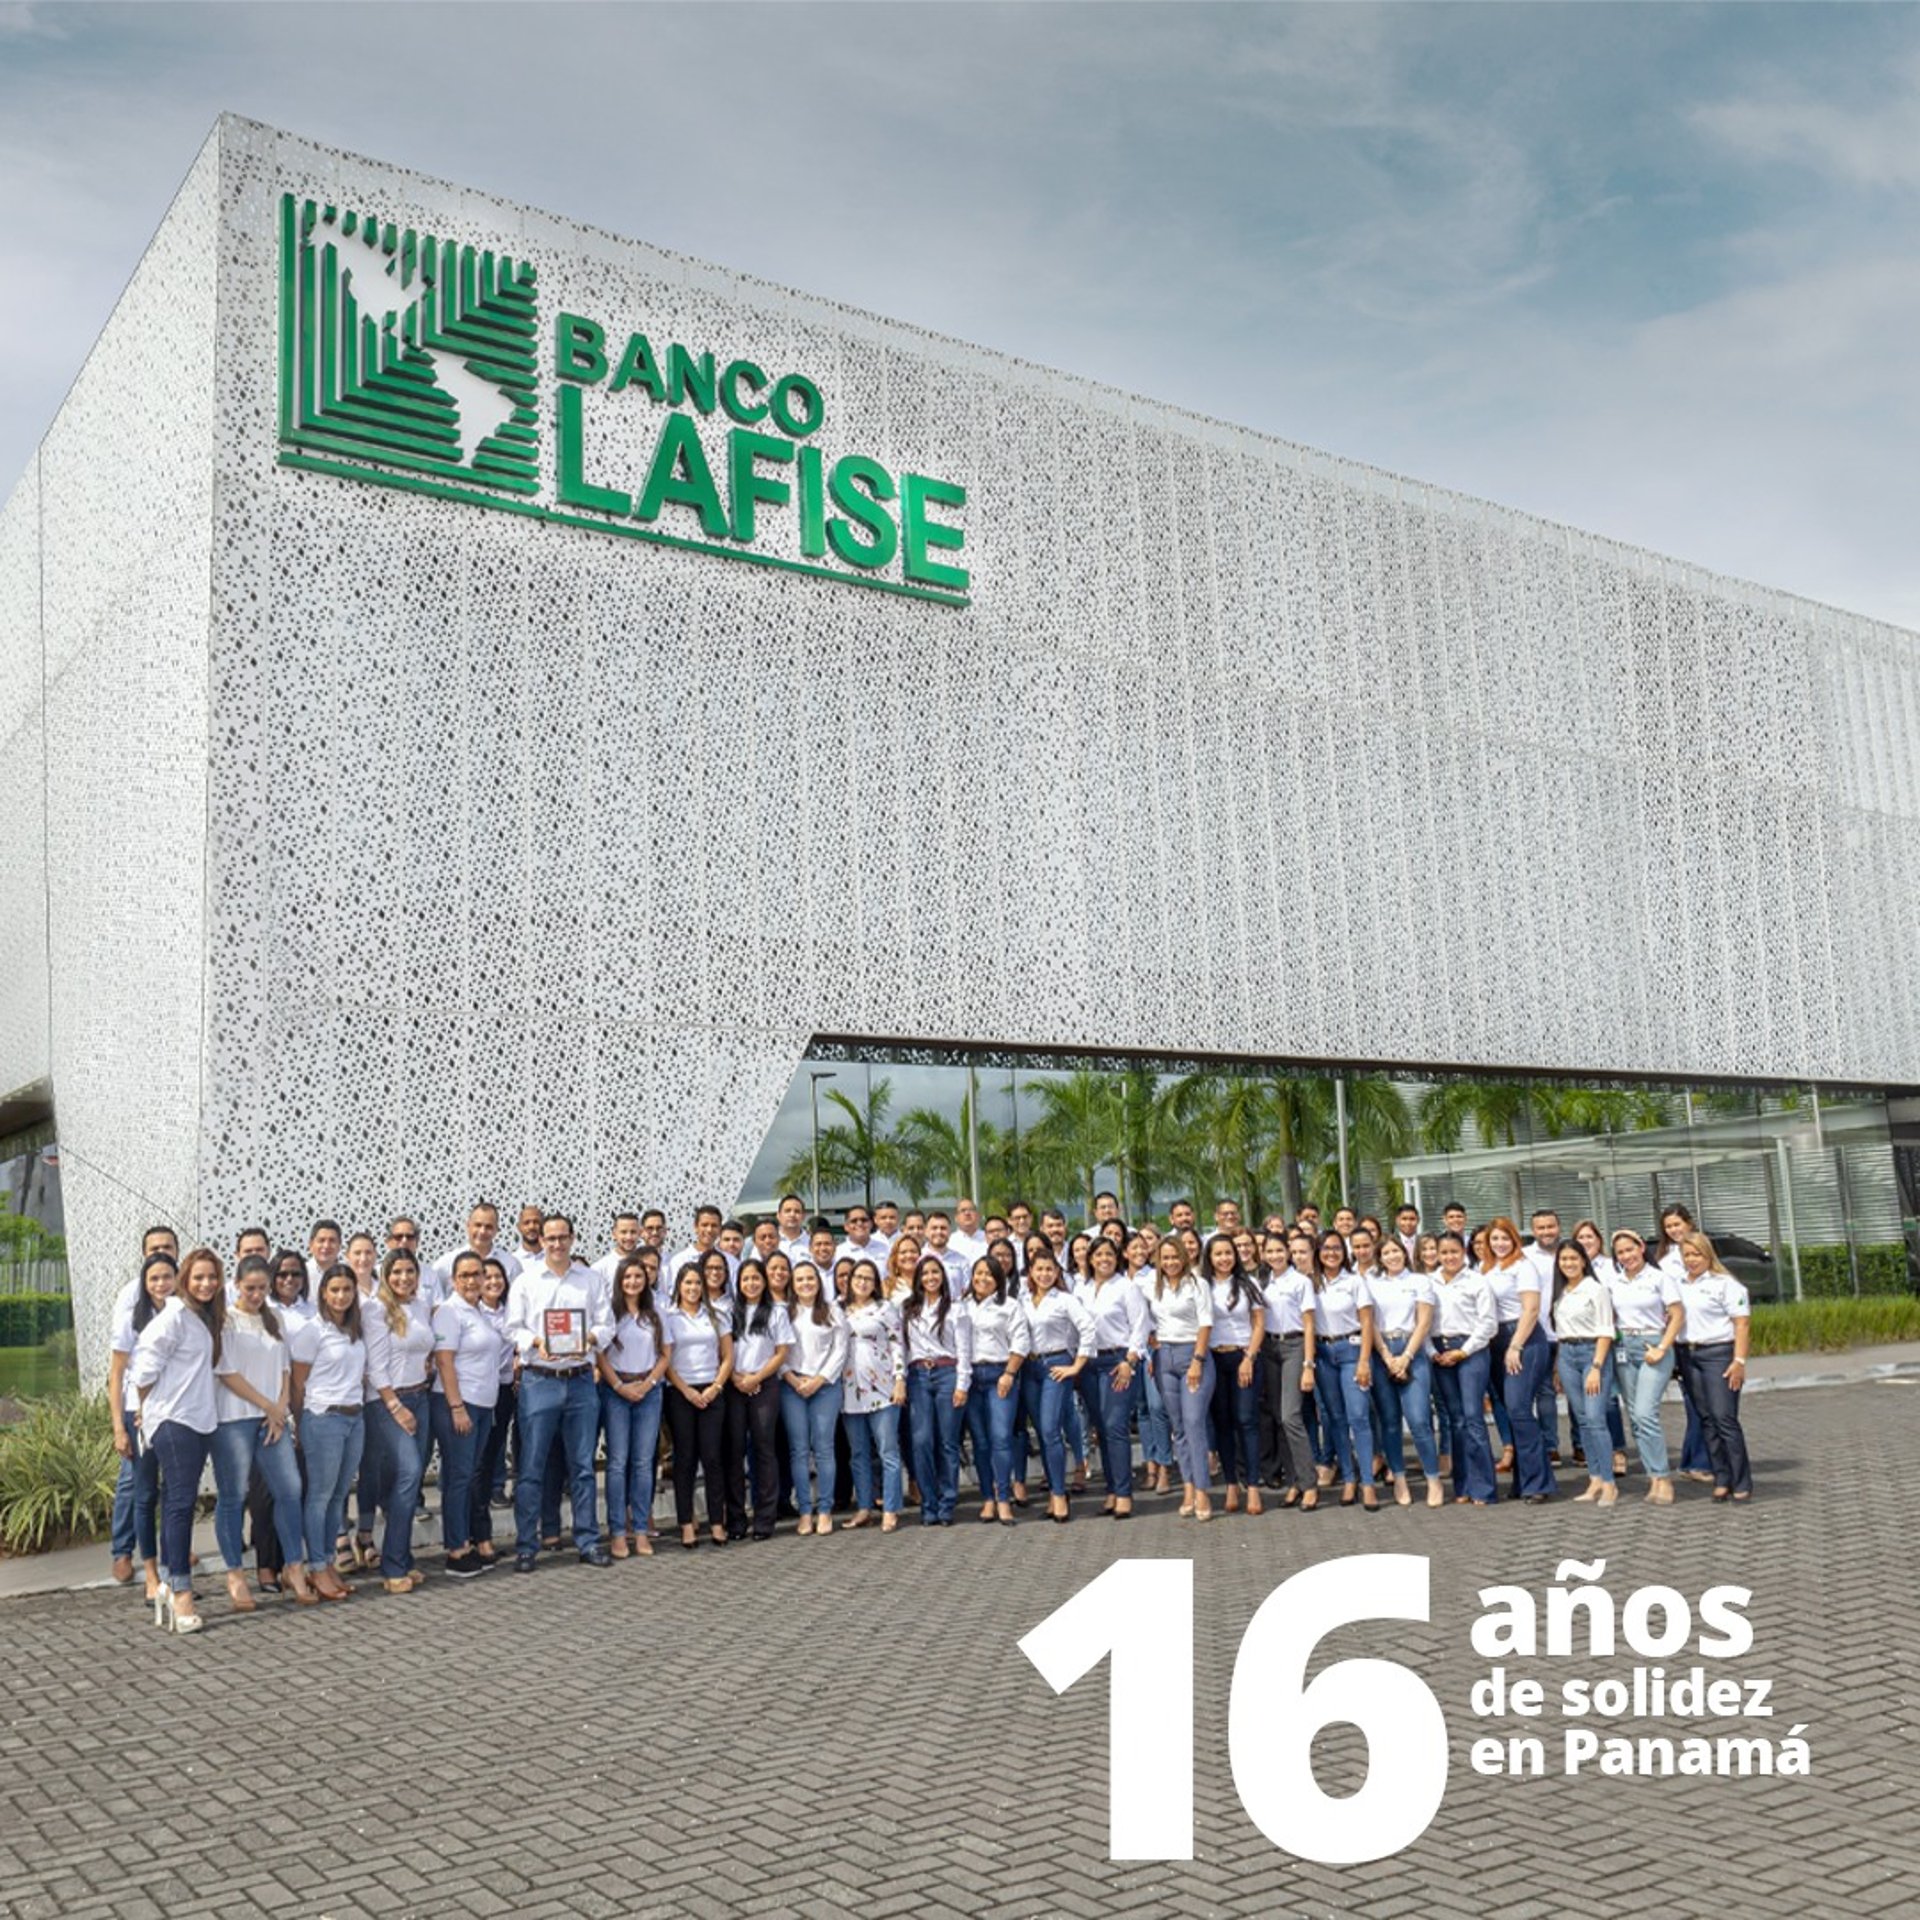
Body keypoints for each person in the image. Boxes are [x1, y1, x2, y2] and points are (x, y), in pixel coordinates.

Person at [506, 1215, 615, 1570]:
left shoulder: (591, 1280)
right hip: (540, 1380)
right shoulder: (525, 1282)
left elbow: (606, 1323)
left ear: (572, 1238)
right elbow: (513, 1328)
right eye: (550, 1238)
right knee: (532, 1467)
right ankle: (526, 1546)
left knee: (582, 1467)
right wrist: (536, 1342)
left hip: (581, 1379)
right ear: (542, 1240)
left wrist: (591, 1339)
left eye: (562, 1237)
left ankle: (587, 1541)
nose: (556, 1244)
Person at [129, 1247, 225, 1633]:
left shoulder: (204, 1317)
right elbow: (142, 1371)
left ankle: (170, 1582)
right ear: (185, 1278)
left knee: (175, 1501)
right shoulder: (172, 1318)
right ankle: (181, 1591)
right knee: (182, 1503)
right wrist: (147, 1408)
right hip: (174, 1421)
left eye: (212, 1277)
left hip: (199, 1420)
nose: (206, 1283)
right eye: (198, 1277)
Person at [210, 1255, 308, 1608]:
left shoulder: (274, 1317)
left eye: (262, 1288)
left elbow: (284, 1367)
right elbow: (226, 1371)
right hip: (235, 1419)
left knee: (289, 1490)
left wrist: (280, 1407)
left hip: (272, 1420)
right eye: (249, 1288)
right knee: (234, 1494)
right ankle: (235, 1573)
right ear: (236, 1284)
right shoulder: (225, 1319)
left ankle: (294, 1566)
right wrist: (266, 1405)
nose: (256, 1294)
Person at [288, 1265, 367, 1603]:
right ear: (322, 1292)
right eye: (334, 1290)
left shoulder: (355, 1330)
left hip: (354, 1418)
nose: (341, 1296)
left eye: (347, 1290)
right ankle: (316, 1565)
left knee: (338, 1496)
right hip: (323, 1419)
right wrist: (299, 1422)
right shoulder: (312, 1331)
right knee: (319, 1496)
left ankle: (329, 1562)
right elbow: (297, 1382)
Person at [431, 1250, 512, 1577]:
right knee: (458, 1478)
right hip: (458, 1404)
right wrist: (456, 1406)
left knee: (468, 1476)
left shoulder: (478, 1312)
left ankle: (465, 1541)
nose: (472, 1281)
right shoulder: (450, 1312)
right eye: (464, 1275)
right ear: (453, 1279)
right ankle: (456, 1551)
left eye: (477, 1274)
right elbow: (444, 1360)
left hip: (482, 1404)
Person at [363, 1248, 437, 1594]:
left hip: (420, 1396)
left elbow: (425, 1346)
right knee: (408, 1474)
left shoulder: (420, 1305)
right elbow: (375, 1365)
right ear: (385, 1275)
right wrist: (395, 1405)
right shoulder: (376, 1310)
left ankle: (403, 1556)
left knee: (408, 1479)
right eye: (396, 1272)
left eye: (409, 1271)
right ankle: (392, 1565)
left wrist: (428, 1364)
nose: (403, 1278)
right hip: (387, 1402)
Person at [108, 1252, 174, 1596]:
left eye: (167, 1277)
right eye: (154, 1279)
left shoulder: (186, 1317)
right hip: (140, 1417)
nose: (161, 1284)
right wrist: (119, 1428)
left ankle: (172, 1570)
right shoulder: (132, 1321)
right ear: (144, 1284)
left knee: (176, 1497)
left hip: (177, 1416)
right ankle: (150, 1575)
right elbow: (116, 1376)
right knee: (145, 1495)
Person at [597, 1254, 669, 1555]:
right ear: (619, 1280)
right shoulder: (609, 1313)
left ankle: (640, 1530)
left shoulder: (657, 1313)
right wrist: (618, 1386)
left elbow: (666, 1354)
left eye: (639, 1276)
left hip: (649, 1391)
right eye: (627, 1277)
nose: (633, 1281)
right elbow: (599, 1353)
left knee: (643, 1463)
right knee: (617, 1463)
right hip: (616, 1390)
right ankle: (617, 1531)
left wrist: (648, 1383)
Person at [1674, 1232, 1753, 1501]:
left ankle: (1741, 1481)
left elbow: (1741, 1324)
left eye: (1697, 1254)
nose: (1692, 1260)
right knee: (1706, 1418)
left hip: (1718, 1354)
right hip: (1688, 1354)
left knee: (1724, 1418)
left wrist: (1739, 1361)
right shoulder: (1678, 1285)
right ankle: (1721, 1478)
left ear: (1708, 1255)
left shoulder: (1726, 1284)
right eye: (1687, 1255)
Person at [1606, 1229, 1684, 1505]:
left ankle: (1664, 1478)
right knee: (1636, 1418)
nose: (1627, 1256)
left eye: (1630, 1249)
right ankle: (1654, 1478)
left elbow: (1677, 1314)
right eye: (1620, 1253)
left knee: (1645, 1412)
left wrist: (1662, 1347)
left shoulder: (1659, 1277)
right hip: (1625, 1347)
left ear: (1641, 1247)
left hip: (1654, 1346)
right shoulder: (1613, 1281)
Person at [1364, 1234, 1441, 1508]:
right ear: (1380, 1257)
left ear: (1404, 1253)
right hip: (1382, 1349)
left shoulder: (1419, 1281)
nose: (1392, 1257)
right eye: (1386, 1253)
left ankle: (1433, 1479)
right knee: (1390, 1422)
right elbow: (1369, 1322)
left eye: (1396, 1251)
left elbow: (1424, 1321)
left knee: (1419, 1420)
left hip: (1412, 1349)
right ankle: (1399, 1478)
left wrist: (1406, 1356)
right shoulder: (1371, 1283)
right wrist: (1386, 1355)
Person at [1076, 1237, 1149, 1519]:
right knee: (1101, 1429)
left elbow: (1140, 1327)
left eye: (1109, 1254)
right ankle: (1111, 1490)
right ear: (1090, 1258)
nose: (1104, 1259)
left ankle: (1123, 1493)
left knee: (1116, 1426)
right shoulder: (1080, 1289)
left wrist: (1129, 1361)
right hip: (1089, 1364)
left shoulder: (1127, 1287)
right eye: (1098, 1254)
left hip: (1117, 1362)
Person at [1484, 1217, 1556, 1503]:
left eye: (1505, 1238)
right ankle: (1522, 1480)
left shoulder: (1523, 1266)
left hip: (1523, 1339)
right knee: (1509, 1411)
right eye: (1494, 1239)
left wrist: (1515, 1346)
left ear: (1514, 1239)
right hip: (1496, 1339)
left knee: (1519, 1409)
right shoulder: (1488, 1268)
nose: (1499, 1244)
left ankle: (1539, 1482)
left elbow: (1531, 1308)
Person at [898, 1253, 972, 1526]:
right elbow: (902, 1348)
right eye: (925, 1273)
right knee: (921, 1441)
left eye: (935, 1273)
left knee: (948, 1442)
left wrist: (962, 1384)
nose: (930, 1278)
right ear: (918, 1279)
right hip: (918, 1376)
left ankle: (947, 1502)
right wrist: (901, 1379)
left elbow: (964, 1349)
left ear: (943, 1277)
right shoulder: (908, 1308)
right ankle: (928, 1502)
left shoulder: (955, 1309)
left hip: (947, 1374)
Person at [1307, 1231, 1379, 1509]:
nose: (1331, 1253)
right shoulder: (1311, 1283)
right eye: (1326, 1248)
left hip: (1352, 1350)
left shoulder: (1355, 1282)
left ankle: (1368, 1483)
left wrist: (1363, 1361)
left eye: (1337, 1248)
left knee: (1358, 1416)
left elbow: (1367, 1322)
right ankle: (1349, 1478)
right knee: (1335, 1418)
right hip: (1324, 1354)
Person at [663, 1264, 733, 1548]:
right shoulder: (668, 1318)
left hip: (712, 1391)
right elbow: (665, 1360)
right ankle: (686, 1524)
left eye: (697, 1283)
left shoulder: (716, 1316)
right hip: (680, 1392)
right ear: (679, 1286)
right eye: (687, 1283)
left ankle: (717, 1522)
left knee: (713, 1458)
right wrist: (687, 1391)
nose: (693, 1288)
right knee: (685, 1460)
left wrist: (716, 1386)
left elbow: (728, 1356)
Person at [725, 1259, 792, 1542]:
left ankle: (765, 1519)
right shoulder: (729, 1311)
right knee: (734, 1451)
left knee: (765, 1450)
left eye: (756, 1278)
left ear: (764, 1282)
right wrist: (737, 1378)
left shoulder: (776, 1312)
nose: (751, 1284)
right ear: (738, 1283)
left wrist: (756, 1378)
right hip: (734, 1384)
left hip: (764, 1386)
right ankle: (737, 1520)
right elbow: (722, 1351)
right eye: (745, 1279)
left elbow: (781, 1353)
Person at [1146, 1238, 1213, 1521]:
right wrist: (1150, 1343)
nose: (1170, 1262)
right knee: (1179, 1427)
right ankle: (1188, 1486)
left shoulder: (1198, 1284)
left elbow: (1205, 1323)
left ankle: (1202, 1491)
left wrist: (1197, 1361)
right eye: (1165, 1258)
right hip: (1164, 1356)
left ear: (1184, 1257)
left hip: (1192, 1356)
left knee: (1195, 1422)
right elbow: (1143, 1320)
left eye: (1175, 1257)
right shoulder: (1152, 1286)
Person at [1429, 1232, 1498, 1505]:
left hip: (1471, 1351)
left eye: (1454, 1252)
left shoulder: (1477, 1281)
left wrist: (1463, 1351)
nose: (1449, 1257)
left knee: (1473, 1417)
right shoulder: (1429, 1283)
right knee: (1455, 1420)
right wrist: (1433, 1352)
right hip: (1439, 1351)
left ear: (1463, 1252)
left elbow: (1488, 1324)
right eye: (1444, 1253)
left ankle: (1484, 1488)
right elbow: (1421, 1320)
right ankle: (1463, 1485)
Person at [783, 1261, 850, 1534]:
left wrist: (820, 1379)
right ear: (793, 1284)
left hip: (825, 1386)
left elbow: (840, 1350)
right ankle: (804, 1511)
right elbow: (778, 1352)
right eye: (799, 1280)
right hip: (793, 1386)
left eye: (810, 1278)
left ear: (819, 1281)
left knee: (824, 1449)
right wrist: (793, 1379)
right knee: (799, 1450)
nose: (806, 1284)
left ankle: (825, 1509)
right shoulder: (784, 1312)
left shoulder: (832, 1310)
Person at [1550, 1242, 1619, 1506]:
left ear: (1583, 1261)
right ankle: (1595, 1479)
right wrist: (1558, 1366)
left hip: (1592, 1353)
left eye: (1573, 1258)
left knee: (1595, 1418)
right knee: (1581, 1419)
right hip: (1567, 1354)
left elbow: (1605, 1330)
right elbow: (1560, 1331)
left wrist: (1597, 1368)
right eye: (1563, 1259)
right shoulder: (1561, 1292)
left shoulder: (1596, 1289)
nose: (1568, 1263)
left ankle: (1610, 1483)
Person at [1202, 1233, 1266, 1516]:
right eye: (1218, 1254)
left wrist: (1249, 1358)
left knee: (1247, 1420)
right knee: (1223, 1422)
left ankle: (1252, 1484)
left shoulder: (1248, 1284)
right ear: (1210, 1258)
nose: (1224, 1258)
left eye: (1229, 1253)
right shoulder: (1202, 1286)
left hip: (1244, 1356)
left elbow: (1259, 1325)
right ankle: (1231, 1482)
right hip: (1215, 1358)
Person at [842, 1258, 906, 1532]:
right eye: (858, 1277)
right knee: (858, 1453)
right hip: (849, 1391)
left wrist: (900, 1380)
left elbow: (898, 1345)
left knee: (887, 1451)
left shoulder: (886, 1308)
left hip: (883, 1388)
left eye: (869, 1278)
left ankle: (890, 1508)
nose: (863, 1282)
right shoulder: (837, 1309)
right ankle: (865, 1507)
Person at [961, 1256, 1027, 1526]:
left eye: (989, 1274)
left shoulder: (1009, 1306)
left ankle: (1003, 1497)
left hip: (1000, 1374)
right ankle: (987, 1496)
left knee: (1001, 1437)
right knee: (980, 1441)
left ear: (999, 1278)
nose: (983, 1279)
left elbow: (1021, 1341)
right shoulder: (961, 1306)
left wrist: (1009, 1373)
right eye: (978, 1273)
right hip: (972, 1377)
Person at [1256, 1232, 1318, 1509]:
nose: (1275, 1256)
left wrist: (1308, 1364)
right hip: (1269, 1349)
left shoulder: (1301, 1282)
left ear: (1289, 1252)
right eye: (1270, 1251)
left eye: (1280, 1250)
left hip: (1294, 1347)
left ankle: (1309, 1483)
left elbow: (1309, 1324)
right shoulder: (1262, 1282)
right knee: (1279, 1418)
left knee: (1291, 1416)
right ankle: (1294, 1481)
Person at [1124, 1230, 1174, 1496]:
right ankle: (1151, 1465)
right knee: (1142, 1409)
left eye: (1143, 1248)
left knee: (1157, 1408)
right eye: (1133, 1248)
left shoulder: (1156, 1279)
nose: (1139, 1253)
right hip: (1131, 1353)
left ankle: (1165, 1465)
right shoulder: (1120, 1281)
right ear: (1124, 1253)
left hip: (1154, 1350)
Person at [476, 1257, 516, 1539]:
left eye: (498, 1277)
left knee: (493, 1452)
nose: (493, 1282)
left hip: (505, 1389)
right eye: (486, 1277)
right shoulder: (471, 1313)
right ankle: (476, 1534)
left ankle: (484, 1533)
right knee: (478, 1462)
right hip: (476, 1393)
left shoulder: (511, 1312)